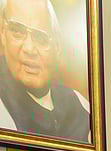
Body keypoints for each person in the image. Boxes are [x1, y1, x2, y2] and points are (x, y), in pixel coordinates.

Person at [0, 0, 91, 141]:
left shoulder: (81, 107)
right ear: (3, 34)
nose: (29, 49)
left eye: (41, 38)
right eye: (17, 31)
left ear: (58, 48)